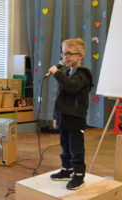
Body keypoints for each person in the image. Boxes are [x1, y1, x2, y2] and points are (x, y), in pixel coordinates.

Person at [48, 39, 93, 190]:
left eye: (69, 53)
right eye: (63, 53)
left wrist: (57, 74)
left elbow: (72, 87)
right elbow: (60, 97)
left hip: (75, 117)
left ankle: (79, 176)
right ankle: (66, 170)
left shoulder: (83, 74)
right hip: (63, 116)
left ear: (80, 56)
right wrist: (56, 116)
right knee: (65, 145)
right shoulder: (67, 72)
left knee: (76, 148)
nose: (65, 57)